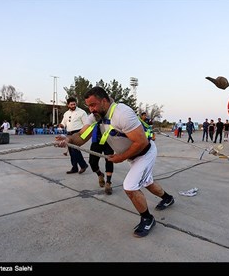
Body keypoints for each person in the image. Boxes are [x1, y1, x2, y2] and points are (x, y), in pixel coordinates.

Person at [56, 86, 174, 238]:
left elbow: (142, 142)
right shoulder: (95, 117)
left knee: (130, 187)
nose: (91, 109)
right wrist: (68, 139)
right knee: (147, 182)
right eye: (88, 106)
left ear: (104, 101)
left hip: (145, 153)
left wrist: (121, 157)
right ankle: (167, 198)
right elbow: (81, 136)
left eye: (93, 105)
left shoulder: (122, 113)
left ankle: (148, 219)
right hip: (133, 156)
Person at [59, 97, 89, 174]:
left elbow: (86, 124)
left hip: (78, 133)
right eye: (71, 104)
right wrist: (61, 125)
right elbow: (63, 123)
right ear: (68, 105)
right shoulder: (66, 113)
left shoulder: (82, 112)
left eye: (74, 104)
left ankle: (83, 165)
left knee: (75, 150)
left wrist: (83, 135)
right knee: (71, 152)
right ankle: (74, 167)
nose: (73, 106)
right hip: (69, 133)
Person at [89, 123, 114, 195]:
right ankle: (100, 174)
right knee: (92, 162)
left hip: (109, 141)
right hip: (96, 140)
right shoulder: (92, 117)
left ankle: (108, 183)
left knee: (109, 160)